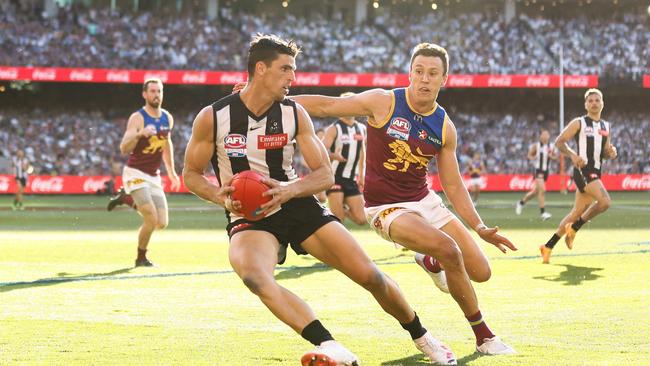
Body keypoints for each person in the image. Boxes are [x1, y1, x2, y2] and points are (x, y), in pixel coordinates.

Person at [185, 34, 458, 366]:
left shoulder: (294, 113)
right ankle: (330, 346)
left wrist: (289, 189)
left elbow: (324, 175)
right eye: (286, 69)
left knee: (370, 276)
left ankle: (423, 337)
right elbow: (191, 173)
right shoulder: (213, 117)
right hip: (249, 216)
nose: (293, 78)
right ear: (261, 69)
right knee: (255, 277)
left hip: (297, 204)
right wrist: (217, 195)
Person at [271, 42, 517, 355]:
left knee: (481, 272)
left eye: (432, 74)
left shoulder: (444, 126)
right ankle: (484, 337)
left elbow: (453, 184)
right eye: (419, 71)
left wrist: (480, 227)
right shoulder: (383, 102)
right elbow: (326, 106)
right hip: (385, 207)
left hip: (425, 200)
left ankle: (429, 260)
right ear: (410, 72)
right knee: (449, 250)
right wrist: (275, 99)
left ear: (445, 79)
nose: (424, 79)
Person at [540, 89, 617, 264]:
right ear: (586, 104)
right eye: (590, 100)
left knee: (576, 212)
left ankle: (548, 246)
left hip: (596, 171)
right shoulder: (579, 123)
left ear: (602, 103)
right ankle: (574, 228)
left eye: (597, 100)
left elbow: (604, 152)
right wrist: (573, 155)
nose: (594, 103)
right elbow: (559, 142)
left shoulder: (606, 127)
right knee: (605, 202)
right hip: (583, 170)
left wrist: (611, 152)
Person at [115, 78, 181, 267]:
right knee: (150, 217)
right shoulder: (138, 118)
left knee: (161, 222)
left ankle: (126, 199)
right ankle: (141, 258)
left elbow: (166, 143)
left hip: (153, 176)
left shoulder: (167, 117)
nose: (156, 95)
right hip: (135, 173)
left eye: (159, 91)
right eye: (152, 91)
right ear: (144, 94)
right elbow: (123, 148)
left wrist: (171, 171)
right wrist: (139, 134)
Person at [321, 92, 367, 225]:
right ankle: (335, 211)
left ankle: (333, 209)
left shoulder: (361, 128)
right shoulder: (334, 128)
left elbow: (362, 153)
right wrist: (333, 156)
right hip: (335, 178)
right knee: (339, 219)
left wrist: (362, 175)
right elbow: (320, 151)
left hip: (352, 179)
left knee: (362, 219)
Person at [516, 129, 557, 220]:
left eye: (547, 134)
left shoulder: (551, 146)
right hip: (538, 170)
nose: (546, 136)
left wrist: (552, 157)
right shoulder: (536, 146)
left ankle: (521, 203)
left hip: (546, 171)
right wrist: (533, 157)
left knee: (535, 192)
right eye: (544, 134)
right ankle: (543, 213)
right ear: (541, 136)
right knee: (542, 190)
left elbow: (555, 157)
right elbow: (529, 155)